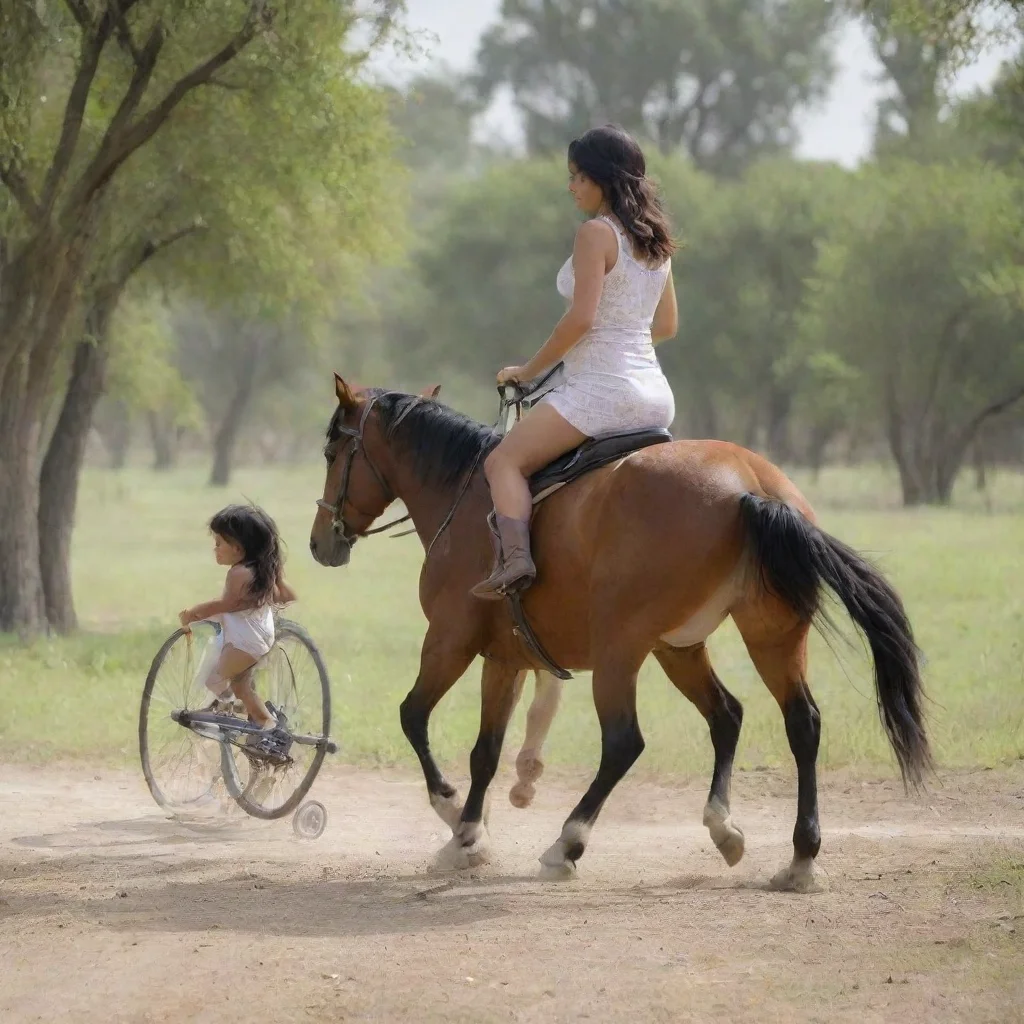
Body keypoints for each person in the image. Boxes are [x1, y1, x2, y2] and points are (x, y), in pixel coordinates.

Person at [471, 123, 680, 601]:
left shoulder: (595, 233)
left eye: (576, 177)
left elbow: (580, 319)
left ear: (600, 179)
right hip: (656, 397)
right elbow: (666, 325)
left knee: (503, 460)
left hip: (602, 393)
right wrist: (621, 341)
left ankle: (515, 562)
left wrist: (527, 373)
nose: (570, 187)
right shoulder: (656, 240)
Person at [179, 504, 297, 731]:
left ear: (238, 548)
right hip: (252, 634)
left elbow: (228, 605)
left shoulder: (239, 573)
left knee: (233, 683)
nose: (215, 549)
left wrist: (194, 612)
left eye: (219, 543)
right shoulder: (257, 570)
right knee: (225, 681)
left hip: (245, 640)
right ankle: (238, 707)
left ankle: (265, 723)